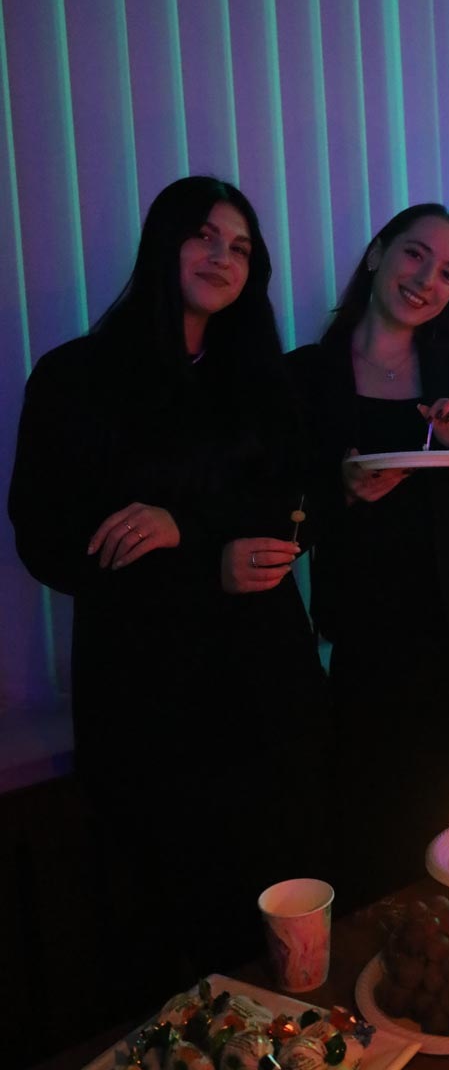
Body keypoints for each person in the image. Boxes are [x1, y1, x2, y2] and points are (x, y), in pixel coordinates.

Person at [8, 177, 330, 1003]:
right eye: (204, 236)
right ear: (164, 243)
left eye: (241, 247)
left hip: (265, 687)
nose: (222, 257)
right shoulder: (75, 378)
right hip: (147, 697)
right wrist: (203, 562)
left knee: (277, 919)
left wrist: (186, 531)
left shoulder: (260, 381)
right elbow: (45, 539)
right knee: (161, 932)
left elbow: (292, 513)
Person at [286, 203, 449, 907]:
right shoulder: (307, 377)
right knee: (383, 845)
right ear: (377, 254)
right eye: (414, 255)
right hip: (372, 647)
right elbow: (283, 517)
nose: (427, 279)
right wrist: (338, 491)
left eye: (448, 273)